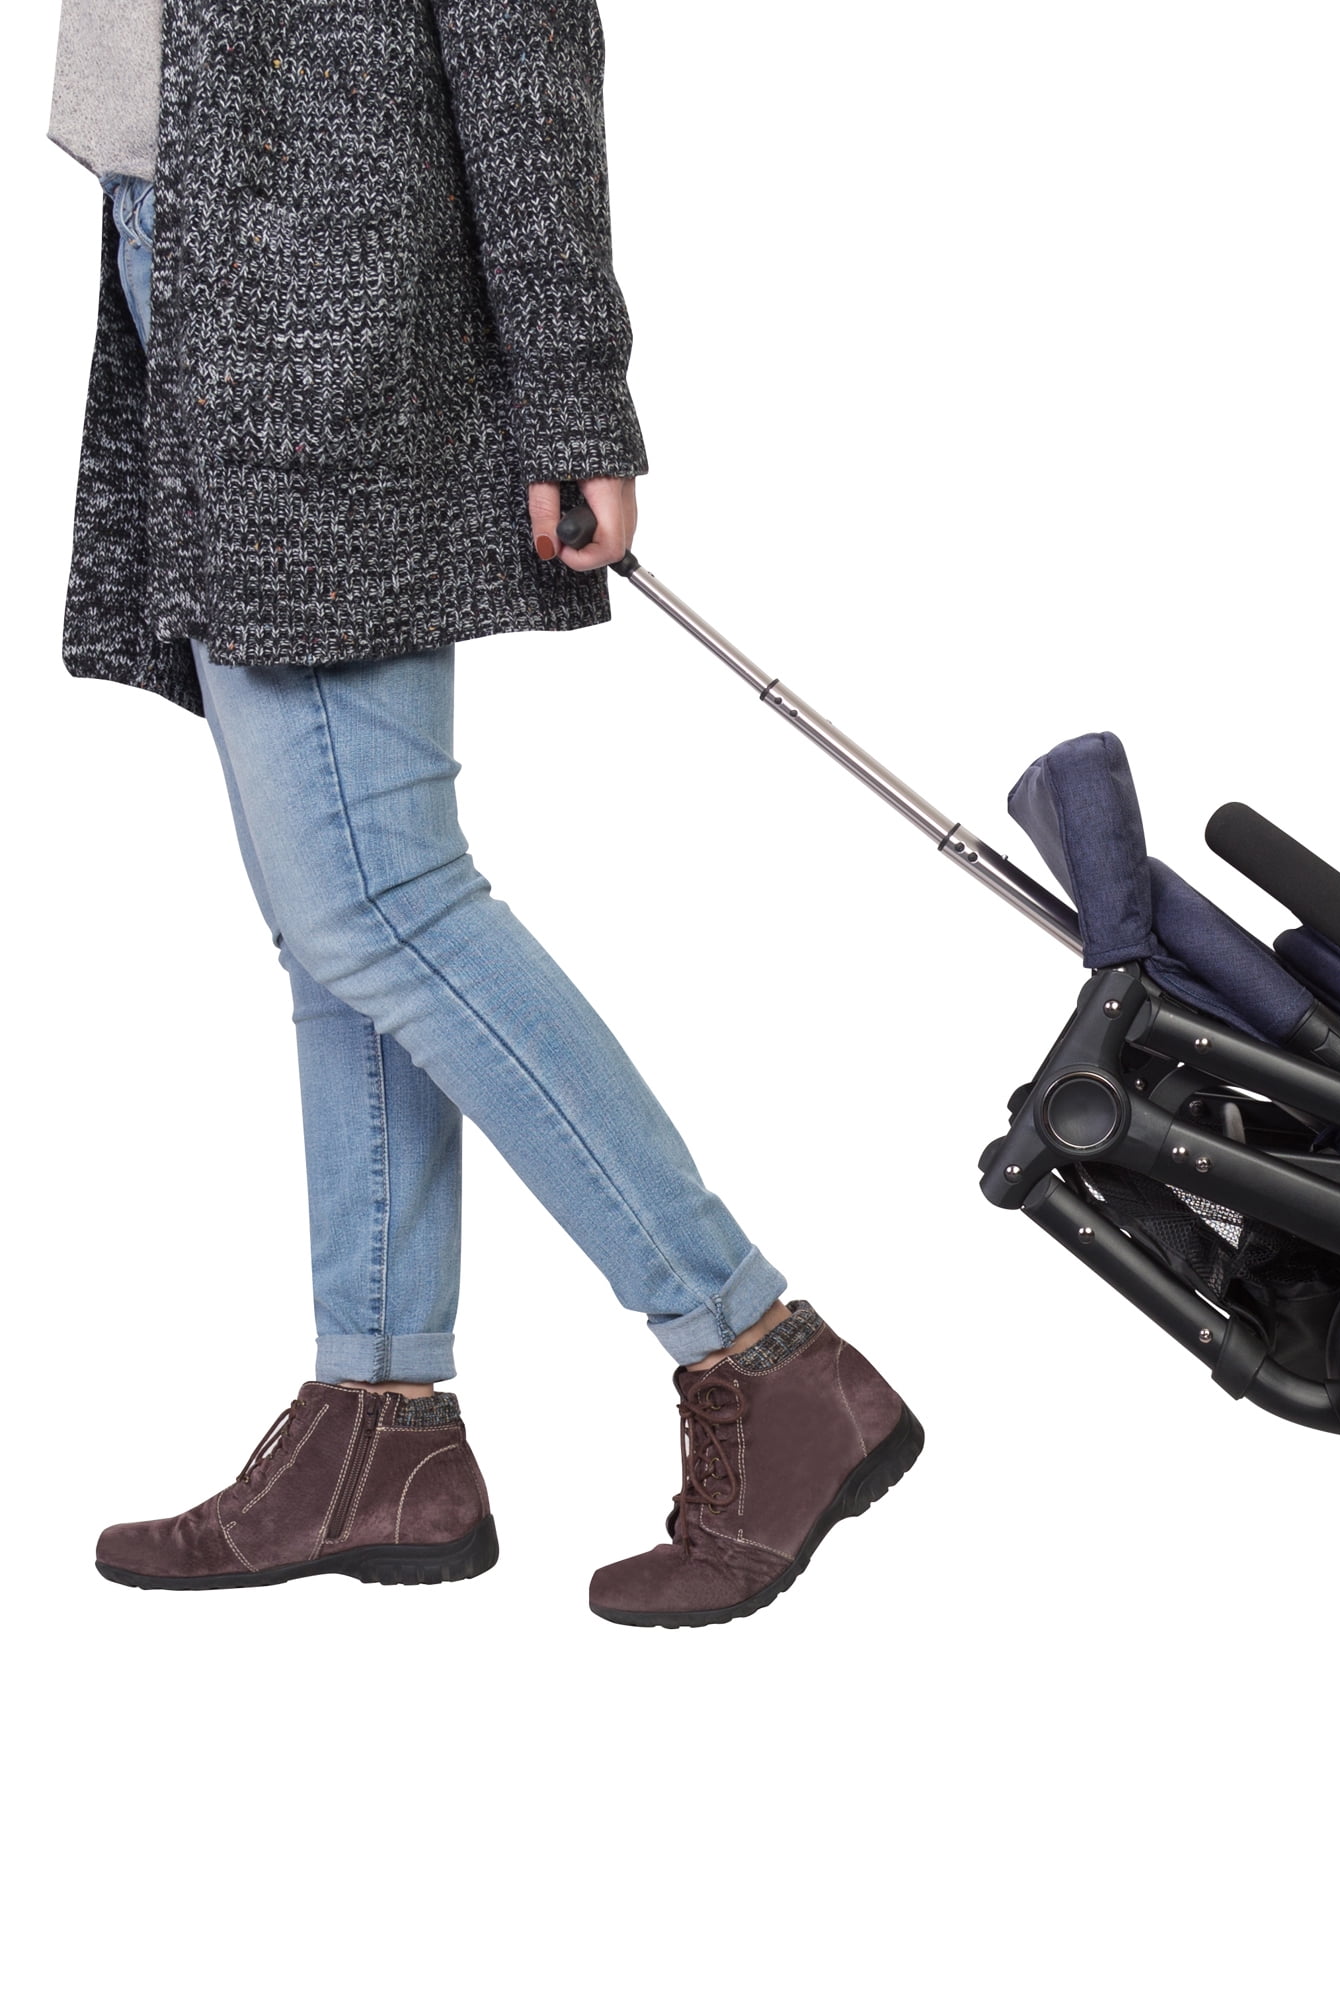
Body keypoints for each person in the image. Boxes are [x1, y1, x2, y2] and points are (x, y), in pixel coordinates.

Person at [52, 0, 922, 1624]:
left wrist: (570, 392)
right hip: (201, 240)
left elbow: (522, 39)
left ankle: (758, 1350)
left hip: (324, 302)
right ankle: (378, 1419)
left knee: (380, 902)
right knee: (339, 916)